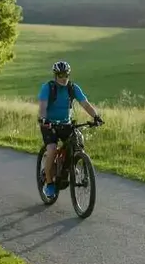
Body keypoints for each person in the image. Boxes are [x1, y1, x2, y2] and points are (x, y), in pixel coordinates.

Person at [37, 60, 103, 199]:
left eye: (66, 75)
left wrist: (96, 116)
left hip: (66, 124)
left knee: (77, 140)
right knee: (52, 149)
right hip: (49, 125)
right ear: (55, 76)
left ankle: (71, 165)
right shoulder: (48, 88)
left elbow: (85, 104)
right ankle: (49, 182)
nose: (64, 78)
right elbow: (42, 107)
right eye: (60, 75)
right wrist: (43, 119)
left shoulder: (72, 88)